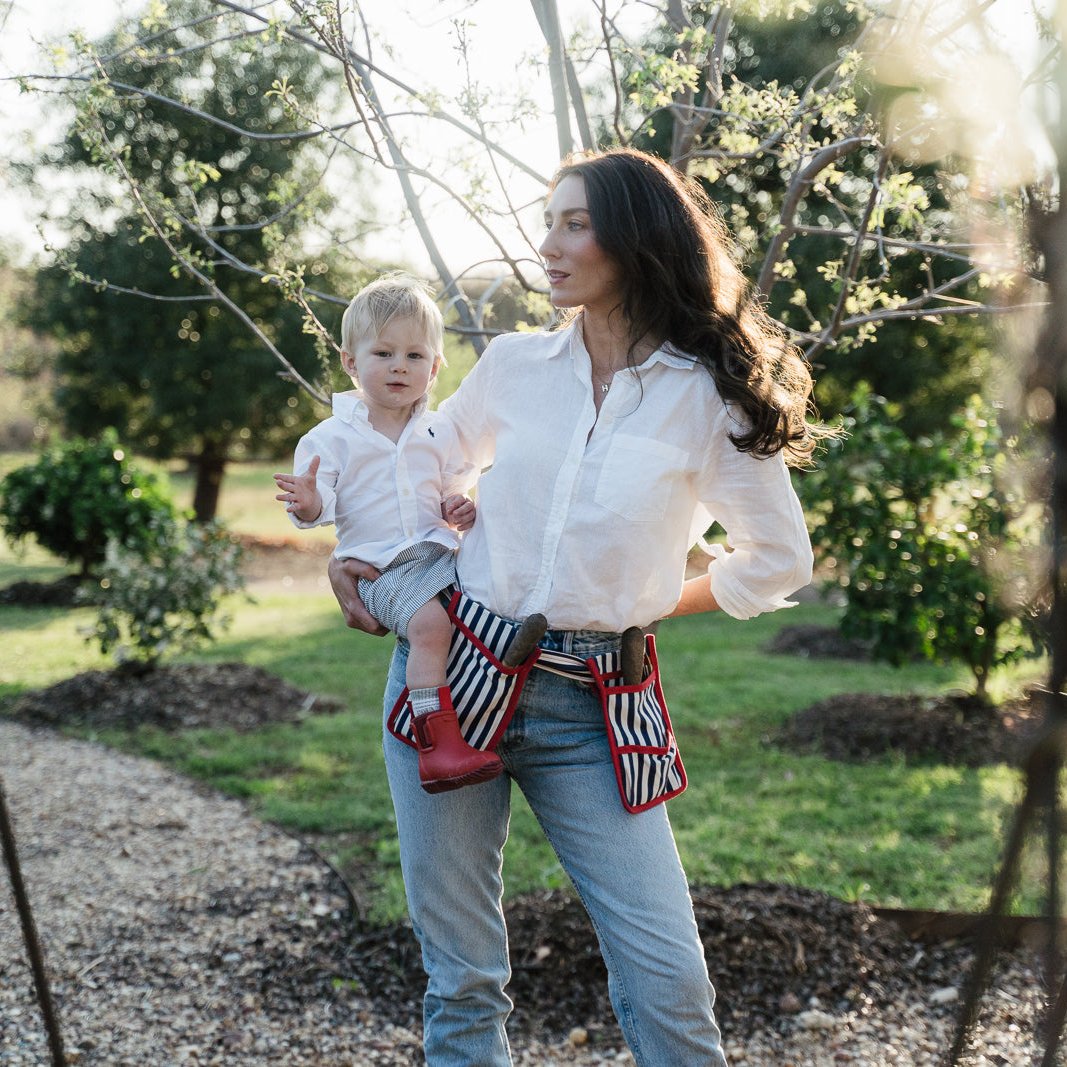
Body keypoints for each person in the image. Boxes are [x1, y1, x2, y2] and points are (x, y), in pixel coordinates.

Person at [329, 148, 823, 1066]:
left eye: (572, 224)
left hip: (597, 710)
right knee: (464, 980)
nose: (545, 244)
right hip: (454, 682)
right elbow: (423, 463)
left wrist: (648, 607)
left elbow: (777, 558)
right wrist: (360, 553)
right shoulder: (514, 365)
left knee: (669, 980)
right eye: (547, 220)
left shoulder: (703, 396)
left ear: (633, 242)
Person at [273, 274, 509, 793]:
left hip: (440, 554)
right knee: (429, 626)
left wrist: (458, 506)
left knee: (479, 614)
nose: (400, 366)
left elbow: (454, 486)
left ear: (435, 367)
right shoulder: (330, 439)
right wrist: (311, 502)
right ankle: (436, 744)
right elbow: (314, 509)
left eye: (414, 355)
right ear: (351, 362)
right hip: (381, 567)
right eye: (383, 353)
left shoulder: (439, 430)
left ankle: (475, 720)